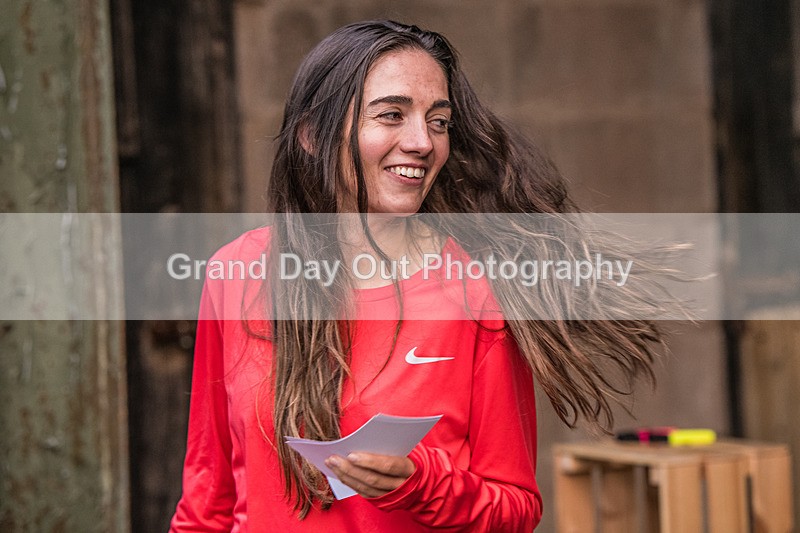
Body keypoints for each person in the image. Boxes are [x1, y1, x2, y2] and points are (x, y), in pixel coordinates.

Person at [170, 20, 664, 532]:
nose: (422, 142)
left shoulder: (474, 292)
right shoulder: (237, 274)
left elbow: (515, 507)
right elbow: (208, 498)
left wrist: (419, 483)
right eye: (391, 115)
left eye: (439, 122)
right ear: (312, 135)